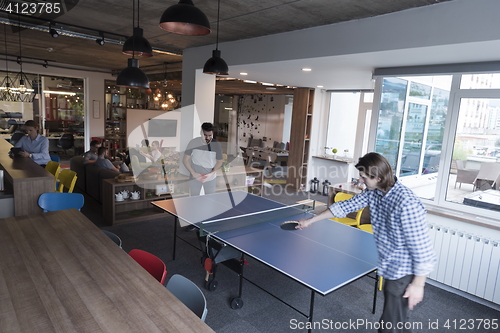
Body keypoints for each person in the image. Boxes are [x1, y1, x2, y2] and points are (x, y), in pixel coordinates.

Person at [296, 152, 436, 333]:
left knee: (390, 327)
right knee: (397, 320)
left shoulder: (406, 204)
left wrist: (418, 285)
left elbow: (423, 250)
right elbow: (345, 206)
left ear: (377, 177)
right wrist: (309, 221)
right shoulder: (374, 192)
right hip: (389, 265)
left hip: (402, 272)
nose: (360, 181)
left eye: (363, 177)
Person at [183, 122, 223, 196]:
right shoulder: (193, 142)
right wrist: (193, 173)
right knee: (194, 199)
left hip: (210, 178)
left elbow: (219, 162)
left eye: (210, 135)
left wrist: (211, 174)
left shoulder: (216, 144)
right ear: (201, 132)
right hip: (195, 178)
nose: (207, 138)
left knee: (210, 200)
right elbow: (185, 160)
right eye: (205, 135)